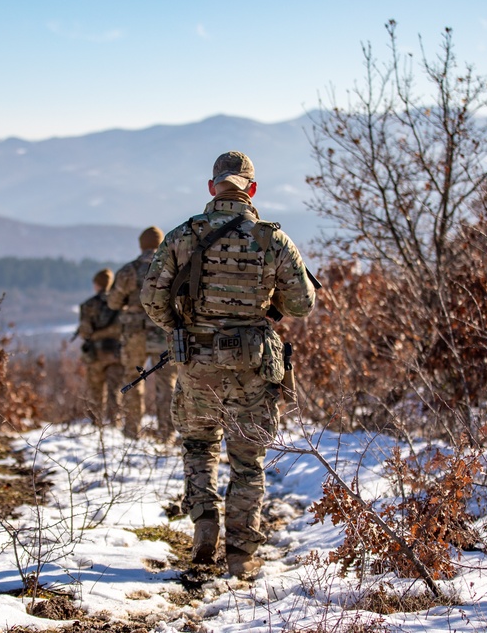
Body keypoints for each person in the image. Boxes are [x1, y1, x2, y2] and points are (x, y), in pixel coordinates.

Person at [140, 151, 316, 578]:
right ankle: (240, 552)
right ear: (252, 189)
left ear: (212, 187)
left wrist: (179, 326)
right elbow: (303, 304)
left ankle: (204, 527)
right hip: (253, 364)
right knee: (247, 460)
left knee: (199, 446)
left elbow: (151, 299)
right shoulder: (271, 239)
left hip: (198, 361)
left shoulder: (185, 234)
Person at [108, 227, 178, 439]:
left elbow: (113, 302)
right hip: (164, 331)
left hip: (134, 334)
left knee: (132, 379)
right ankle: (166, 433)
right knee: (167, 383)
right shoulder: (170, 267)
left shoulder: (128, 271)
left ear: (141, 245)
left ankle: (131, 431)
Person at [77, 268, 123, 426]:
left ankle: (97, 424)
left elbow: (85, 331)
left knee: (95, 392)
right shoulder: (119, 305)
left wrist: (95, 335)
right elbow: (122, 328)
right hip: (116, 353)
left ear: (97, 284)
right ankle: (115, 423)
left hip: (95, 354)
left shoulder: (88, 305)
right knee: (115, 391)